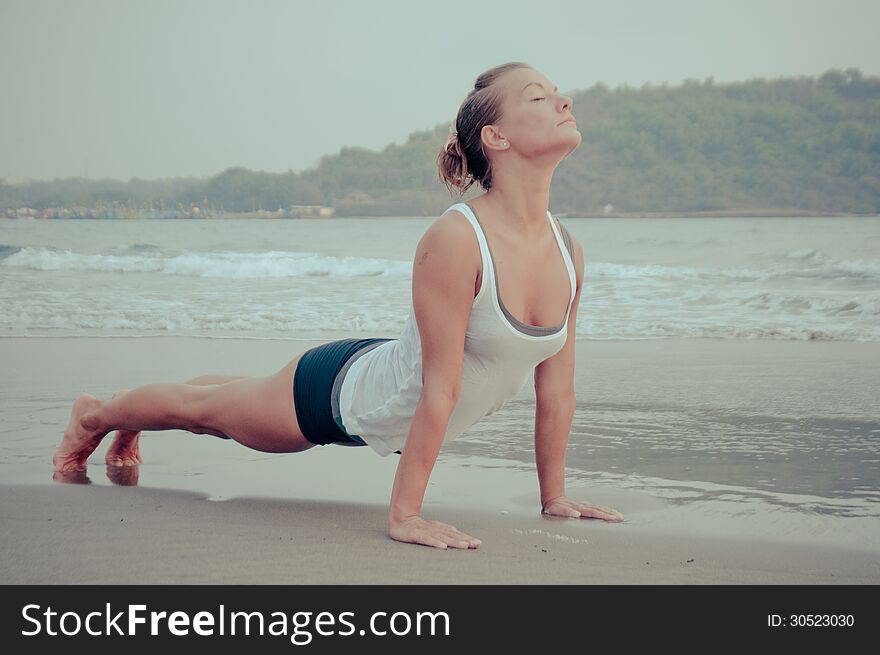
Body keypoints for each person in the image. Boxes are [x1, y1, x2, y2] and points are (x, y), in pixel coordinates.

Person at [53, 61, 625, 550]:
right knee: (206, 414)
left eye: (556, 93)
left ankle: (128, 415)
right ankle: (97, 416)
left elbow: (558, 392)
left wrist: (555, 498)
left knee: (222, 399)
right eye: (538, 97)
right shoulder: (457, 239)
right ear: (496, 137)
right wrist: (404, 515)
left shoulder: (567, 248)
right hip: (339, 395)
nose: (563, 100)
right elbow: (439, 389)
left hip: (385, 372)